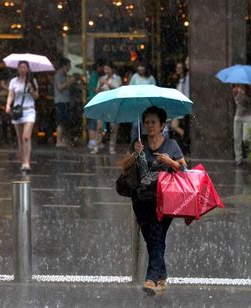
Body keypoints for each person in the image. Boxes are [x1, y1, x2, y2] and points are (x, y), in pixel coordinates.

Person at [130, 106, 187, 295]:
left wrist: (170, 161)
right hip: (141, 200)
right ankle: (162, 276)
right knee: (152, 239)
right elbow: (127, 169)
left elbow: (184, 170)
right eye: (146, 122)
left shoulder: (171, 145)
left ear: (162, 125)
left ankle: (151, 279)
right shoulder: (138, 143)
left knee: (157, 237)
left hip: (165, 200)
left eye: (154, 122)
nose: (149, 125)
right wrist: (135, 154)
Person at [5, 61, 39, 171]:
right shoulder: (13, 81)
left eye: (24, 67)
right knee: (20, 138)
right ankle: (23, 161)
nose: (22, 69)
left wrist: (31, 88)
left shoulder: (32, 81)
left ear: (28, 69)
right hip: (17, 111)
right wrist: (8, 105)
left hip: (29, 111)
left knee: (26, 137)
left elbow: (36, 96)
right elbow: (11, 94)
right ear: (18, 69)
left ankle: (27, 162)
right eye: (20, 67)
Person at [92, 61, 122, 155]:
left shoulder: (117, 78)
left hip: (113, 105)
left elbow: (118, 89)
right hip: (103, 104)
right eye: (105, 69)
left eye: (108, 69)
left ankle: (112, 147)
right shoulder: (101, 78)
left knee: (113, 127)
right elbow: (98, 91)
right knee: (99, 126)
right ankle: (96, 147)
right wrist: (99, 87)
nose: (106, 71)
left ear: (112, 69)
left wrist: (108, 83)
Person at [129, 62, 156, 141]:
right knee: (135, 126)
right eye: (139, 66)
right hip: (136, 105)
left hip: (147, 106)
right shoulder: (135, 77)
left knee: (146, 127)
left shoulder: (150, 78)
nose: (140, 68)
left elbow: (154, 91)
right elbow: (130, 89)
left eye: (142, 66)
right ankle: (133, 147)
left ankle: (146, 148)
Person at [53, 57, 76, 147]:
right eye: (69, 66)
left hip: (65, 101)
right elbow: (60, 87)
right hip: (60, 101)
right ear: (64, 66)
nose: (69, 68)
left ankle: (63, 140)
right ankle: (58, 141)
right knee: (60, 122)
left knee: (65, 121)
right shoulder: (58, 75)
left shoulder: (65, 75)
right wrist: (69, 82)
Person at [233, 84, 251, 166]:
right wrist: (239, 93)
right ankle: (238, 158)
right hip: (238, 115)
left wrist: (244, 94)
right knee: (237, 138)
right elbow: (237, 102)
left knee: (246, 138)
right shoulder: (235, 90)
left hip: (248, 115)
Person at [86, 60, 104, 150]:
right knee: (93, 122)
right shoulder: (94, 75)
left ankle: (93, 141)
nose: (102, 69)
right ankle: (92, 141)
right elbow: (95, 89)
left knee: (94, 121)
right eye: (101, 67)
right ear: (98, 67)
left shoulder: (94, 75)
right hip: (94, 100)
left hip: (93, 100)